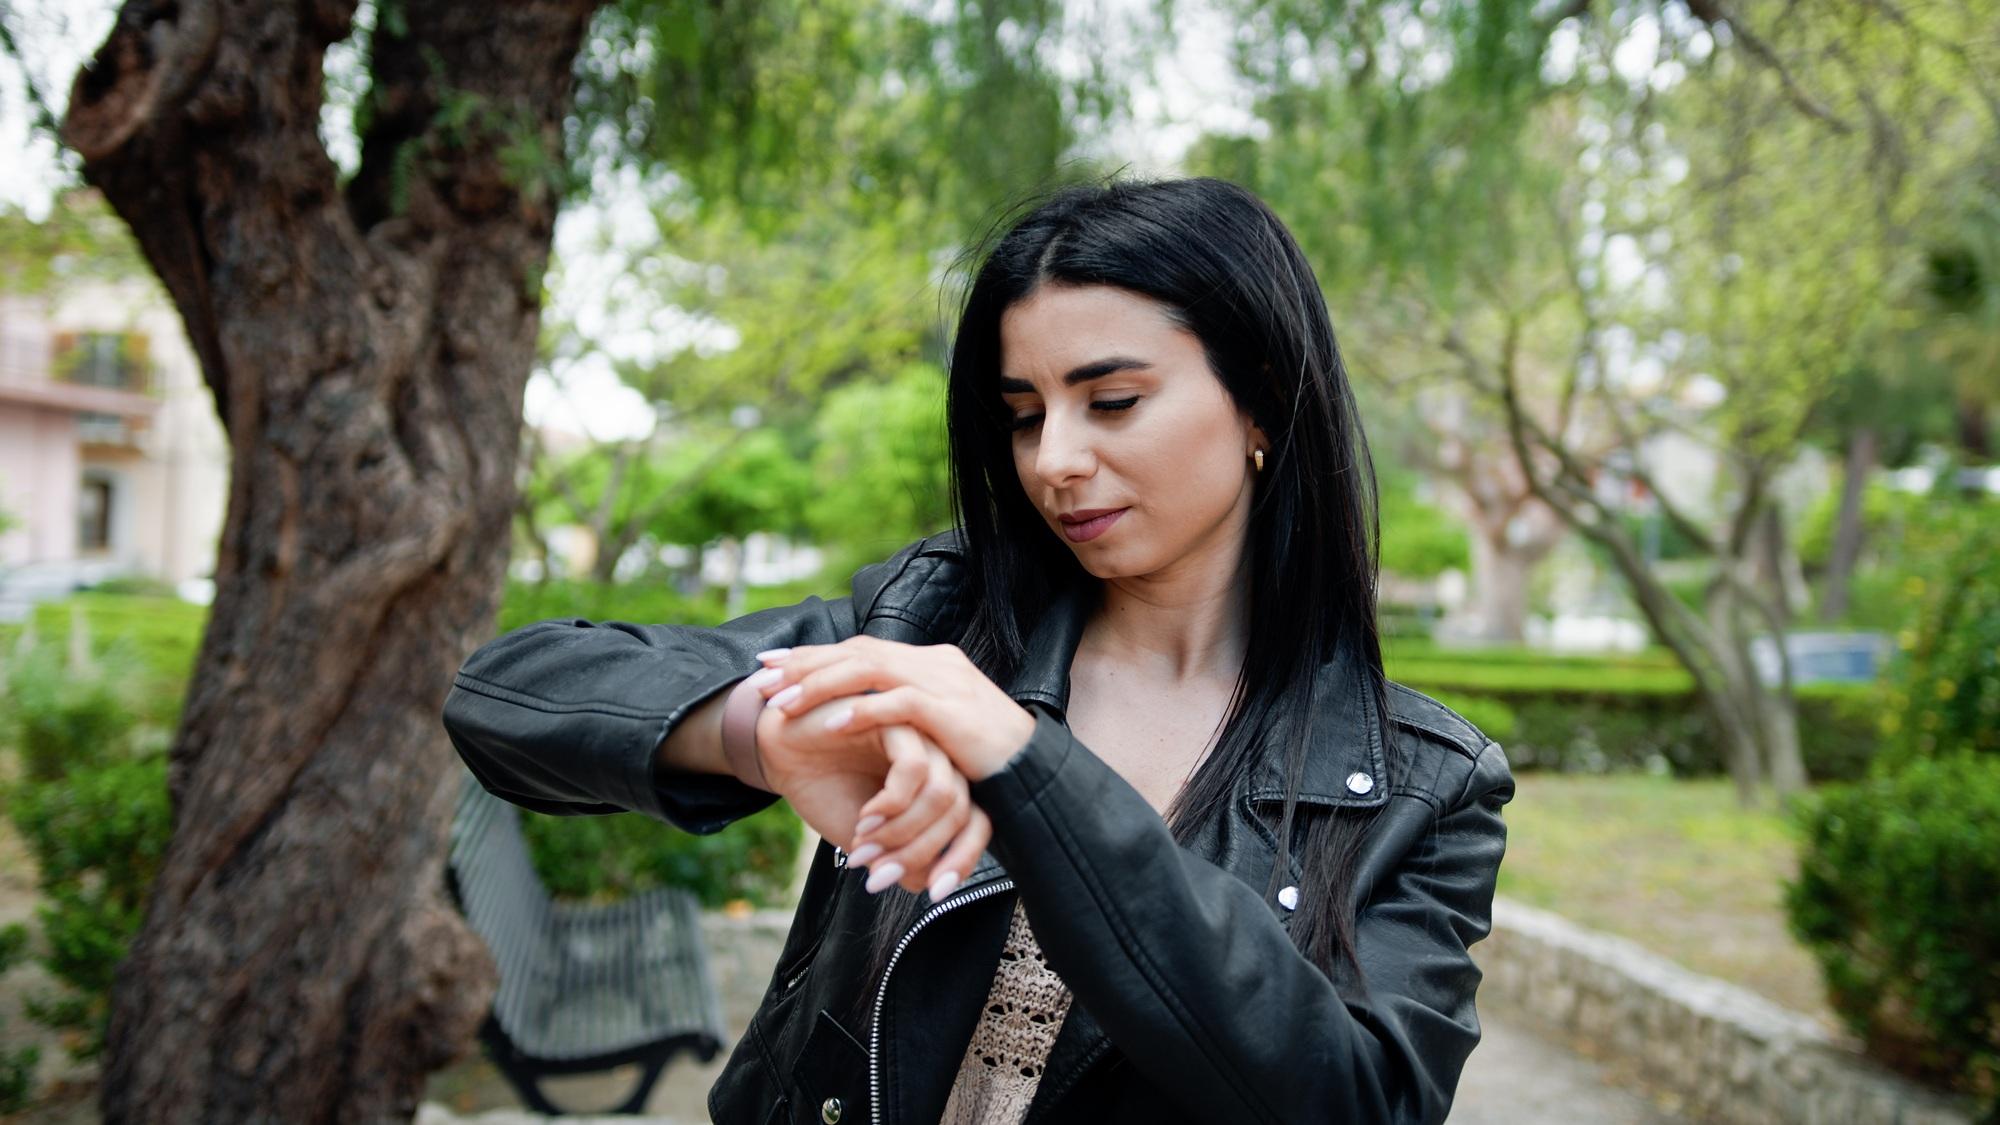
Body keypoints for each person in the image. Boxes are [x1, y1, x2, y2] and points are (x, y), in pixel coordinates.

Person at [441, 176, 1514, 1125]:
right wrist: (766, 738)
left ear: (1262, 404)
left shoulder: (1422, 790)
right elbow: (508, 693)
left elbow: (1357, 1095)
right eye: (1019, 414)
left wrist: (1028, 769)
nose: (1052, 460)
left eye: (1112, 401)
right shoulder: (934, 623)